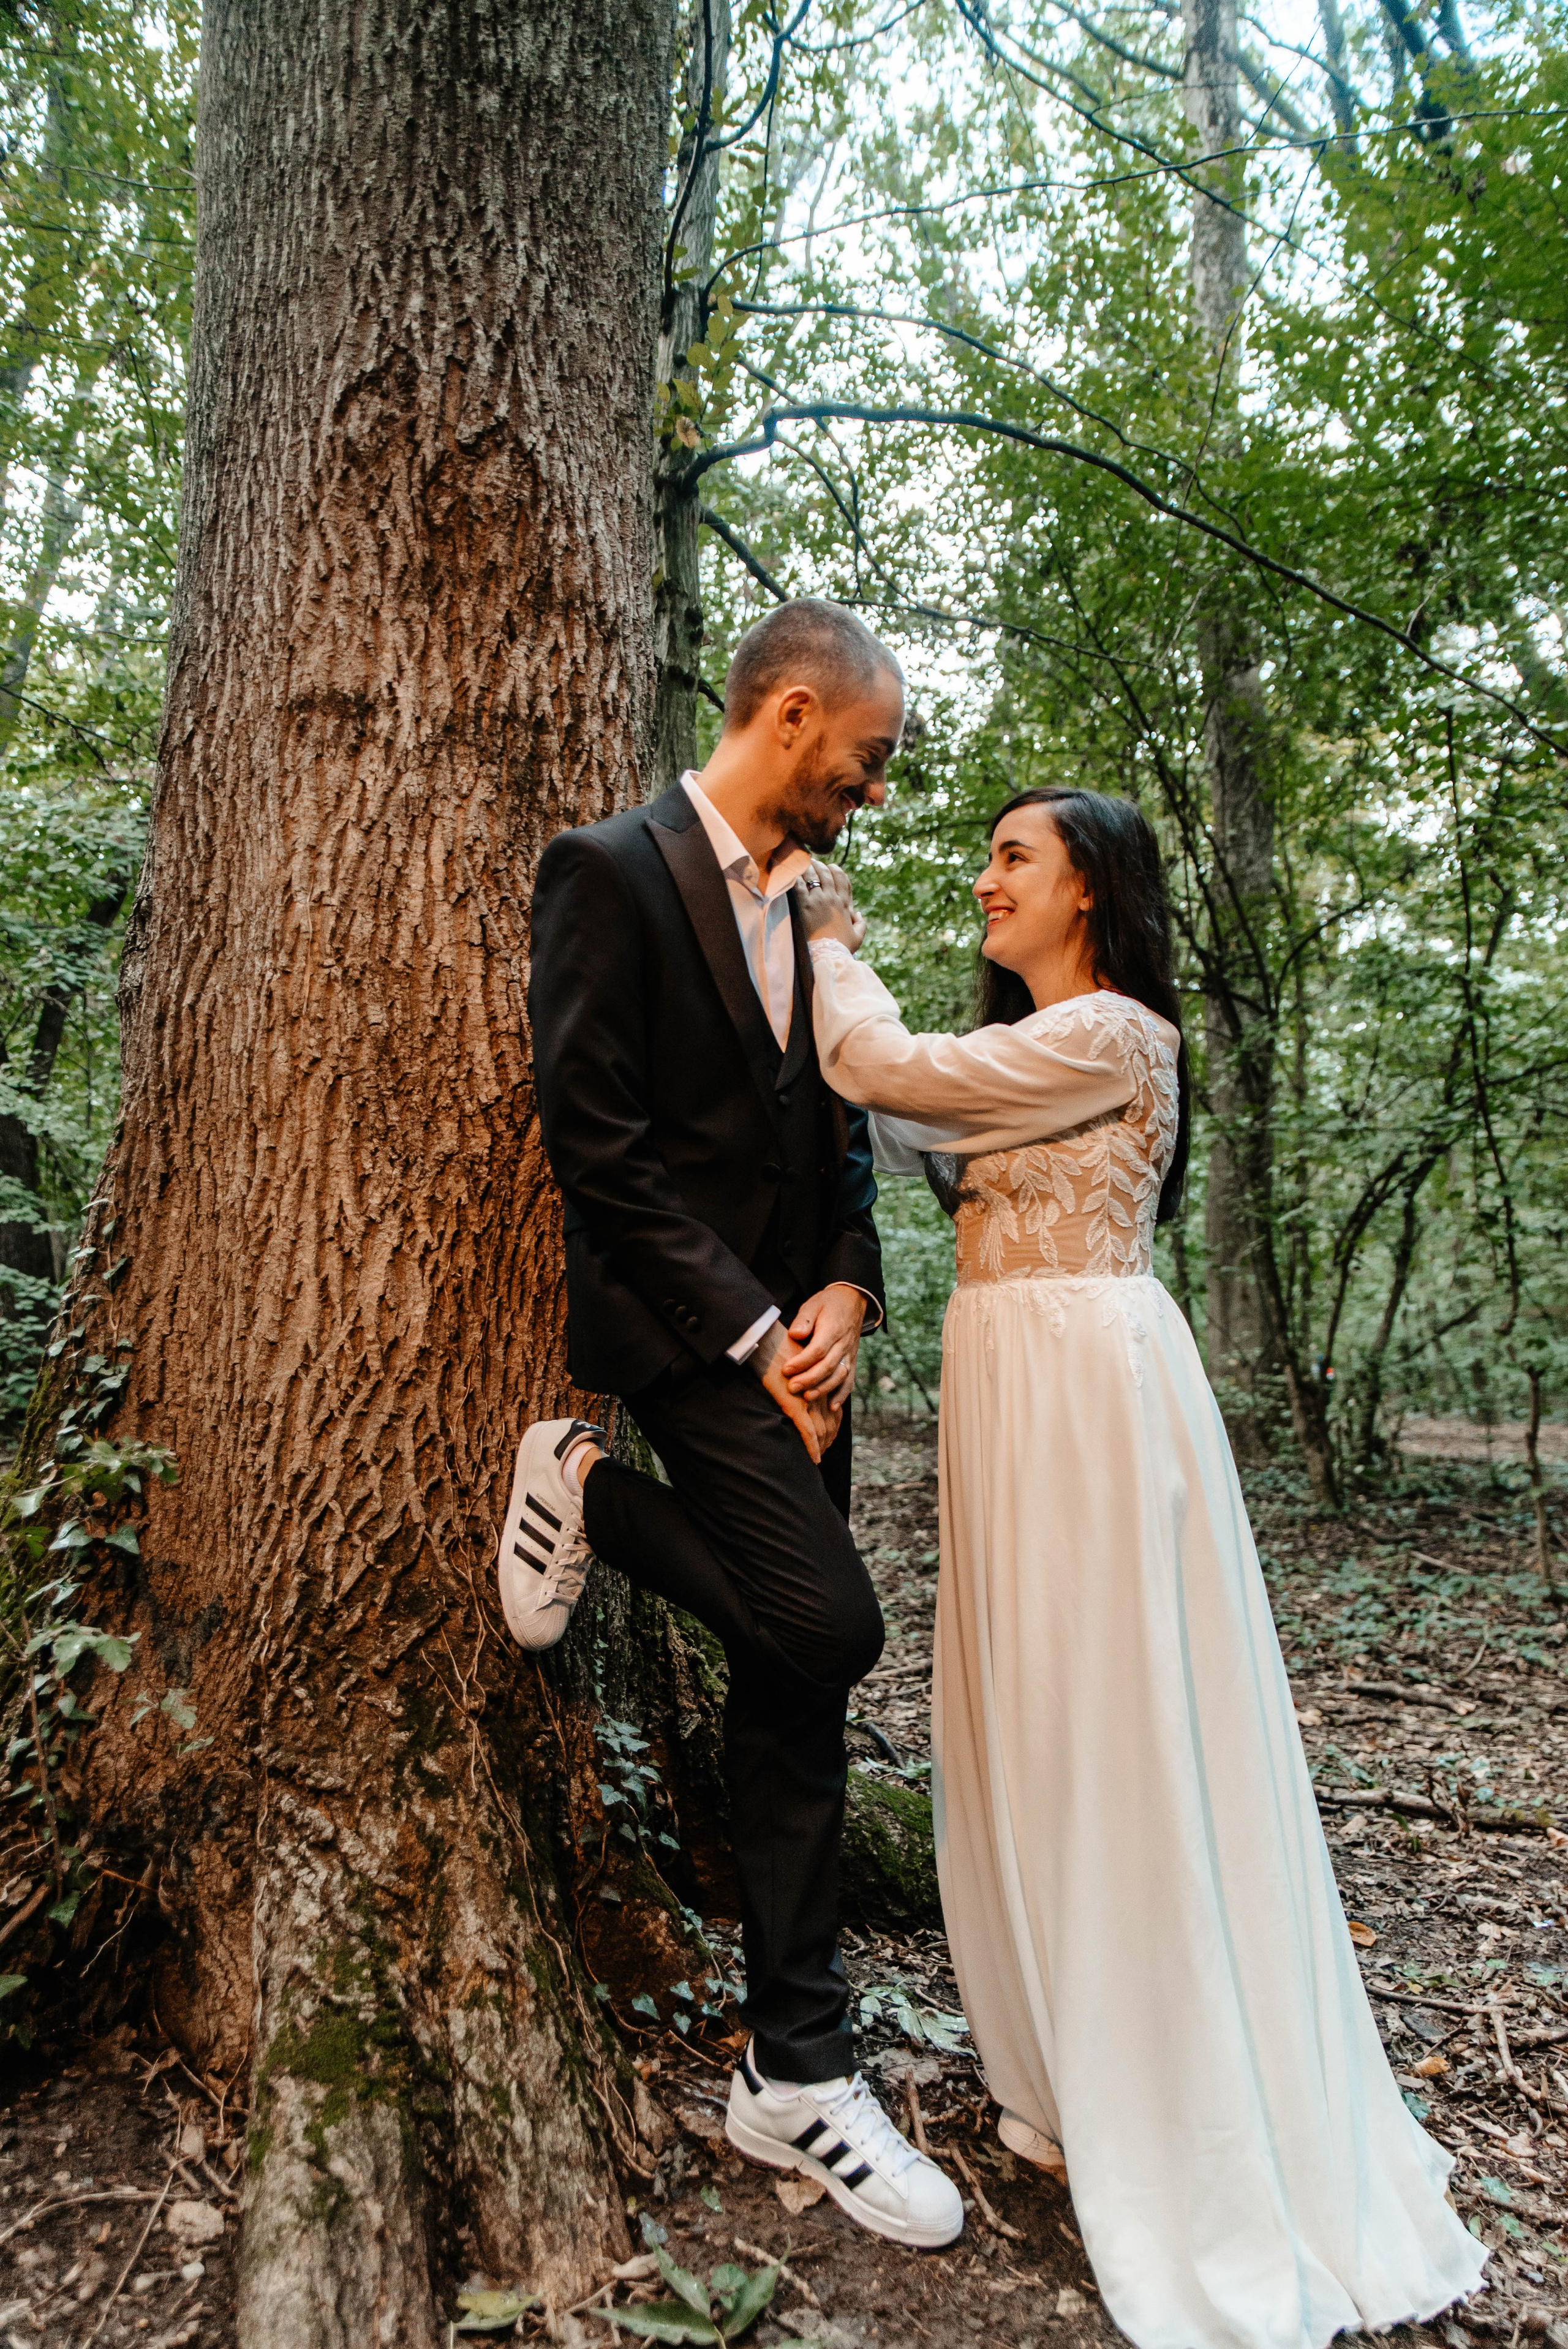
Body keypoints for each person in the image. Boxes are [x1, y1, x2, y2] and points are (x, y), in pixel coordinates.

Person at [796, 788, 1487, 2349]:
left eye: (1010, 860)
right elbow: (902, 1112)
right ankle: (1052, 2065)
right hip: (1007, 1384)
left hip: (1089, 1397)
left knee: (1110, 1728)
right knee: (1023, 1725)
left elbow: (880, 1067)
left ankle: (1166, 2094)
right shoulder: (1030, 1057)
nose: (985, 882)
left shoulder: (1119, 1036)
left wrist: (829, 939)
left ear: (1091, 892)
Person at [508, 599, 963, 2250]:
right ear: (788, 712)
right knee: (832, 1625)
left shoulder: (822, 909)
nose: (877, 788)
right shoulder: (607, 870)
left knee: (791, 1695)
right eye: (871, 755)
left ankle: (797, 2062)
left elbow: (841, 1141)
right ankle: (587, 1485)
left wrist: (846, 1290)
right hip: (690, 1344)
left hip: (806, 1356)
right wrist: (757, 1327)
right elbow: (598, 1140)